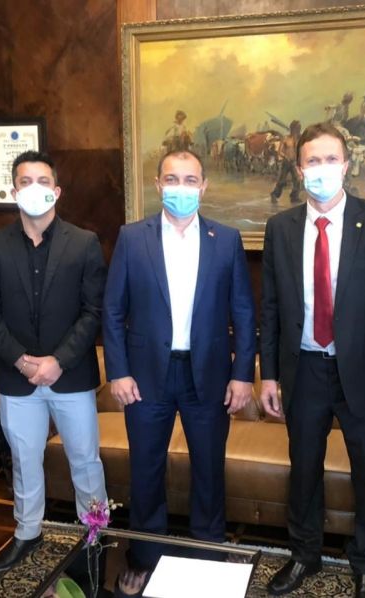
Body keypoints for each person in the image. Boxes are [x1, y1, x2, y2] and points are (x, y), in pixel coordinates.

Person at [259, 122, 365, 597]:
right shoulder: (281, 228)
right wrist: (269, 376)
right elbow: (271, 308)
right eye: (312, 160)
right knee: (304, 467)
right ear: (298, 168)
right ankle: (304, 554)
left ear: (346, 165)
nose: (322, 168)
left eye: (331, 159)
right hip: (304, 368)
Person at [102, 149, 256, 572]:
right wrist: (118, 371)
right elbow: (113, 310)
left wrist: (243, 375)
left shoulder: (226, 240)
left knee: (208, 469)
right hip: (145, 375)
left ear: (203, 186)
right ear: (158, 185)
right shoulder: (132, 238)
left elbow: (243, 312)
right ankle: (145, 556)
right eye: (172, 179)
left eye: (190, 180)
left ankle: (208, 556)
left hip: (208, 374)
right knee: (146, 468)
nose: (181, 188)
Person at [0, 150, 108, 571]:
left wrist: (58, 361)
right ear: (14, 191)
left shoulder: (83, 242)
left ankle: (95, 533)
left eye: (43, 181)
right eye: (25, 181)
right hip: (17, 378)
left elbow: (93, 311)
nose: (35, 188)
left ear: (57, 191)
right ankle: (27, 532)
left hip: (71, 375)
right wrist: (21, 360)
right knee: (25, 460)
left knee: (85, 460)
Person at [270, 120, 302, 204]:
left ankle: (294, 197)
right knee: (282, 180)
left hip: (295, 162)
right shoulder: (286, 139)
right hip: (286, 162)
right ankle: (274, 194)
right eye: (297, 128)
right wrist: (286, 157)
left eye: (299, 128)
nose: (298, 130)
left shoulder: (299, 139)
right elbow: (280, 151)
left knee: (297, 180)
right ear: (292, 129)